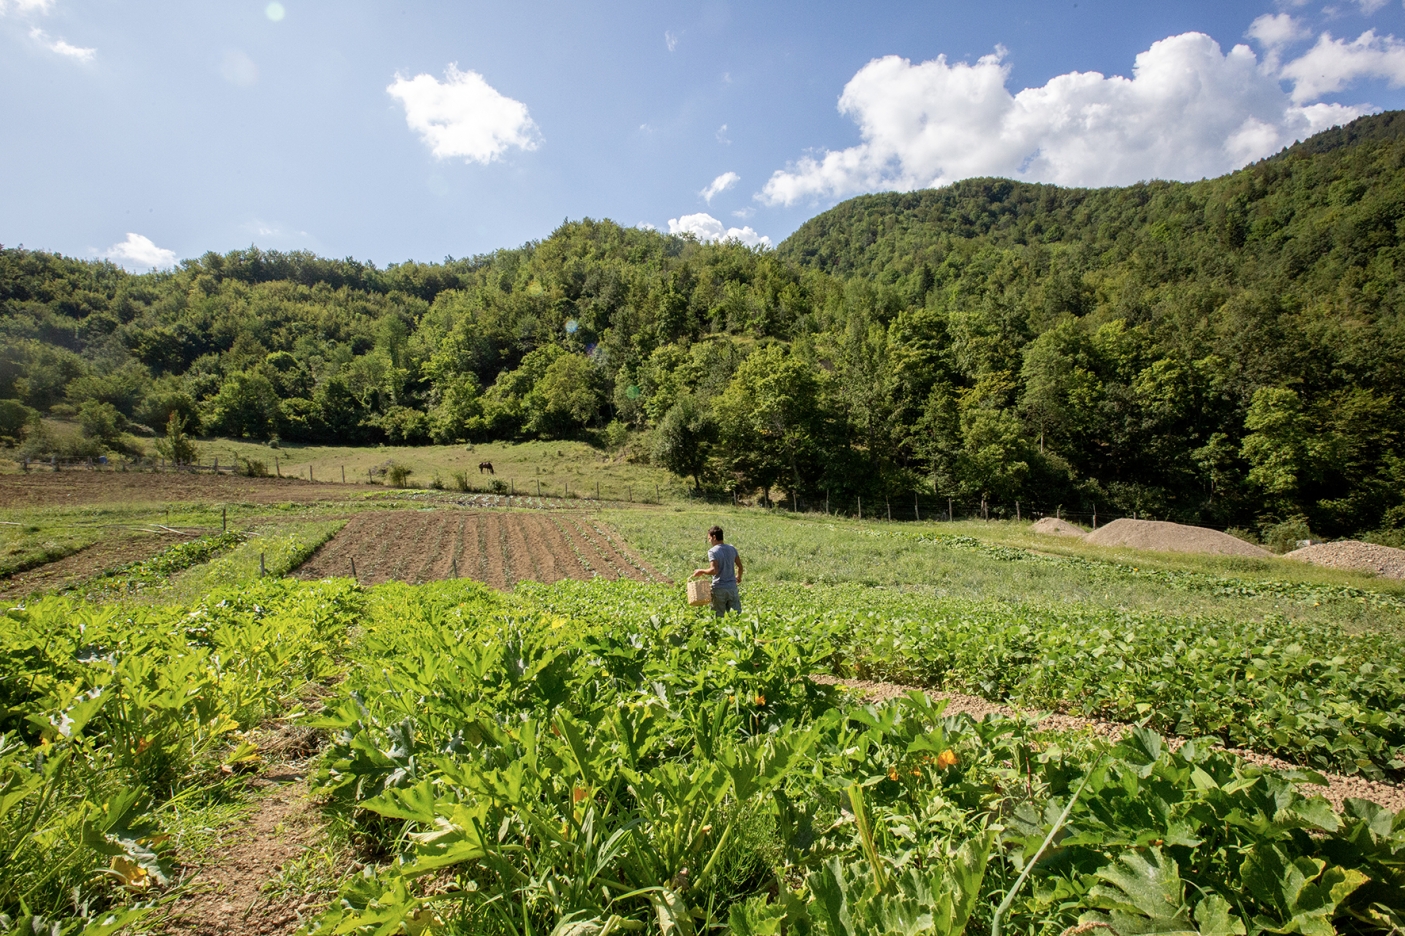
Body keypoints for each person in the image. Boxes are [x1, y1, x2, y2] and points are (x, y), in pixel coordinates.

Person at [692, 525, 743, 616]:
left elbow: (714, 570)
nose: (709, 541)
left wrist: (702, 571)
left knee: (718, 617)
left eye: (709, 538)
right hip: (732, 588)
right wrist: (738, 577)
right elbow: (740, 566)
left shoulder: (713, 551)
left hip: (719, 588)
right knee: (736, 616)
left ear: (714, 537)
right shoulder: (732, 549)